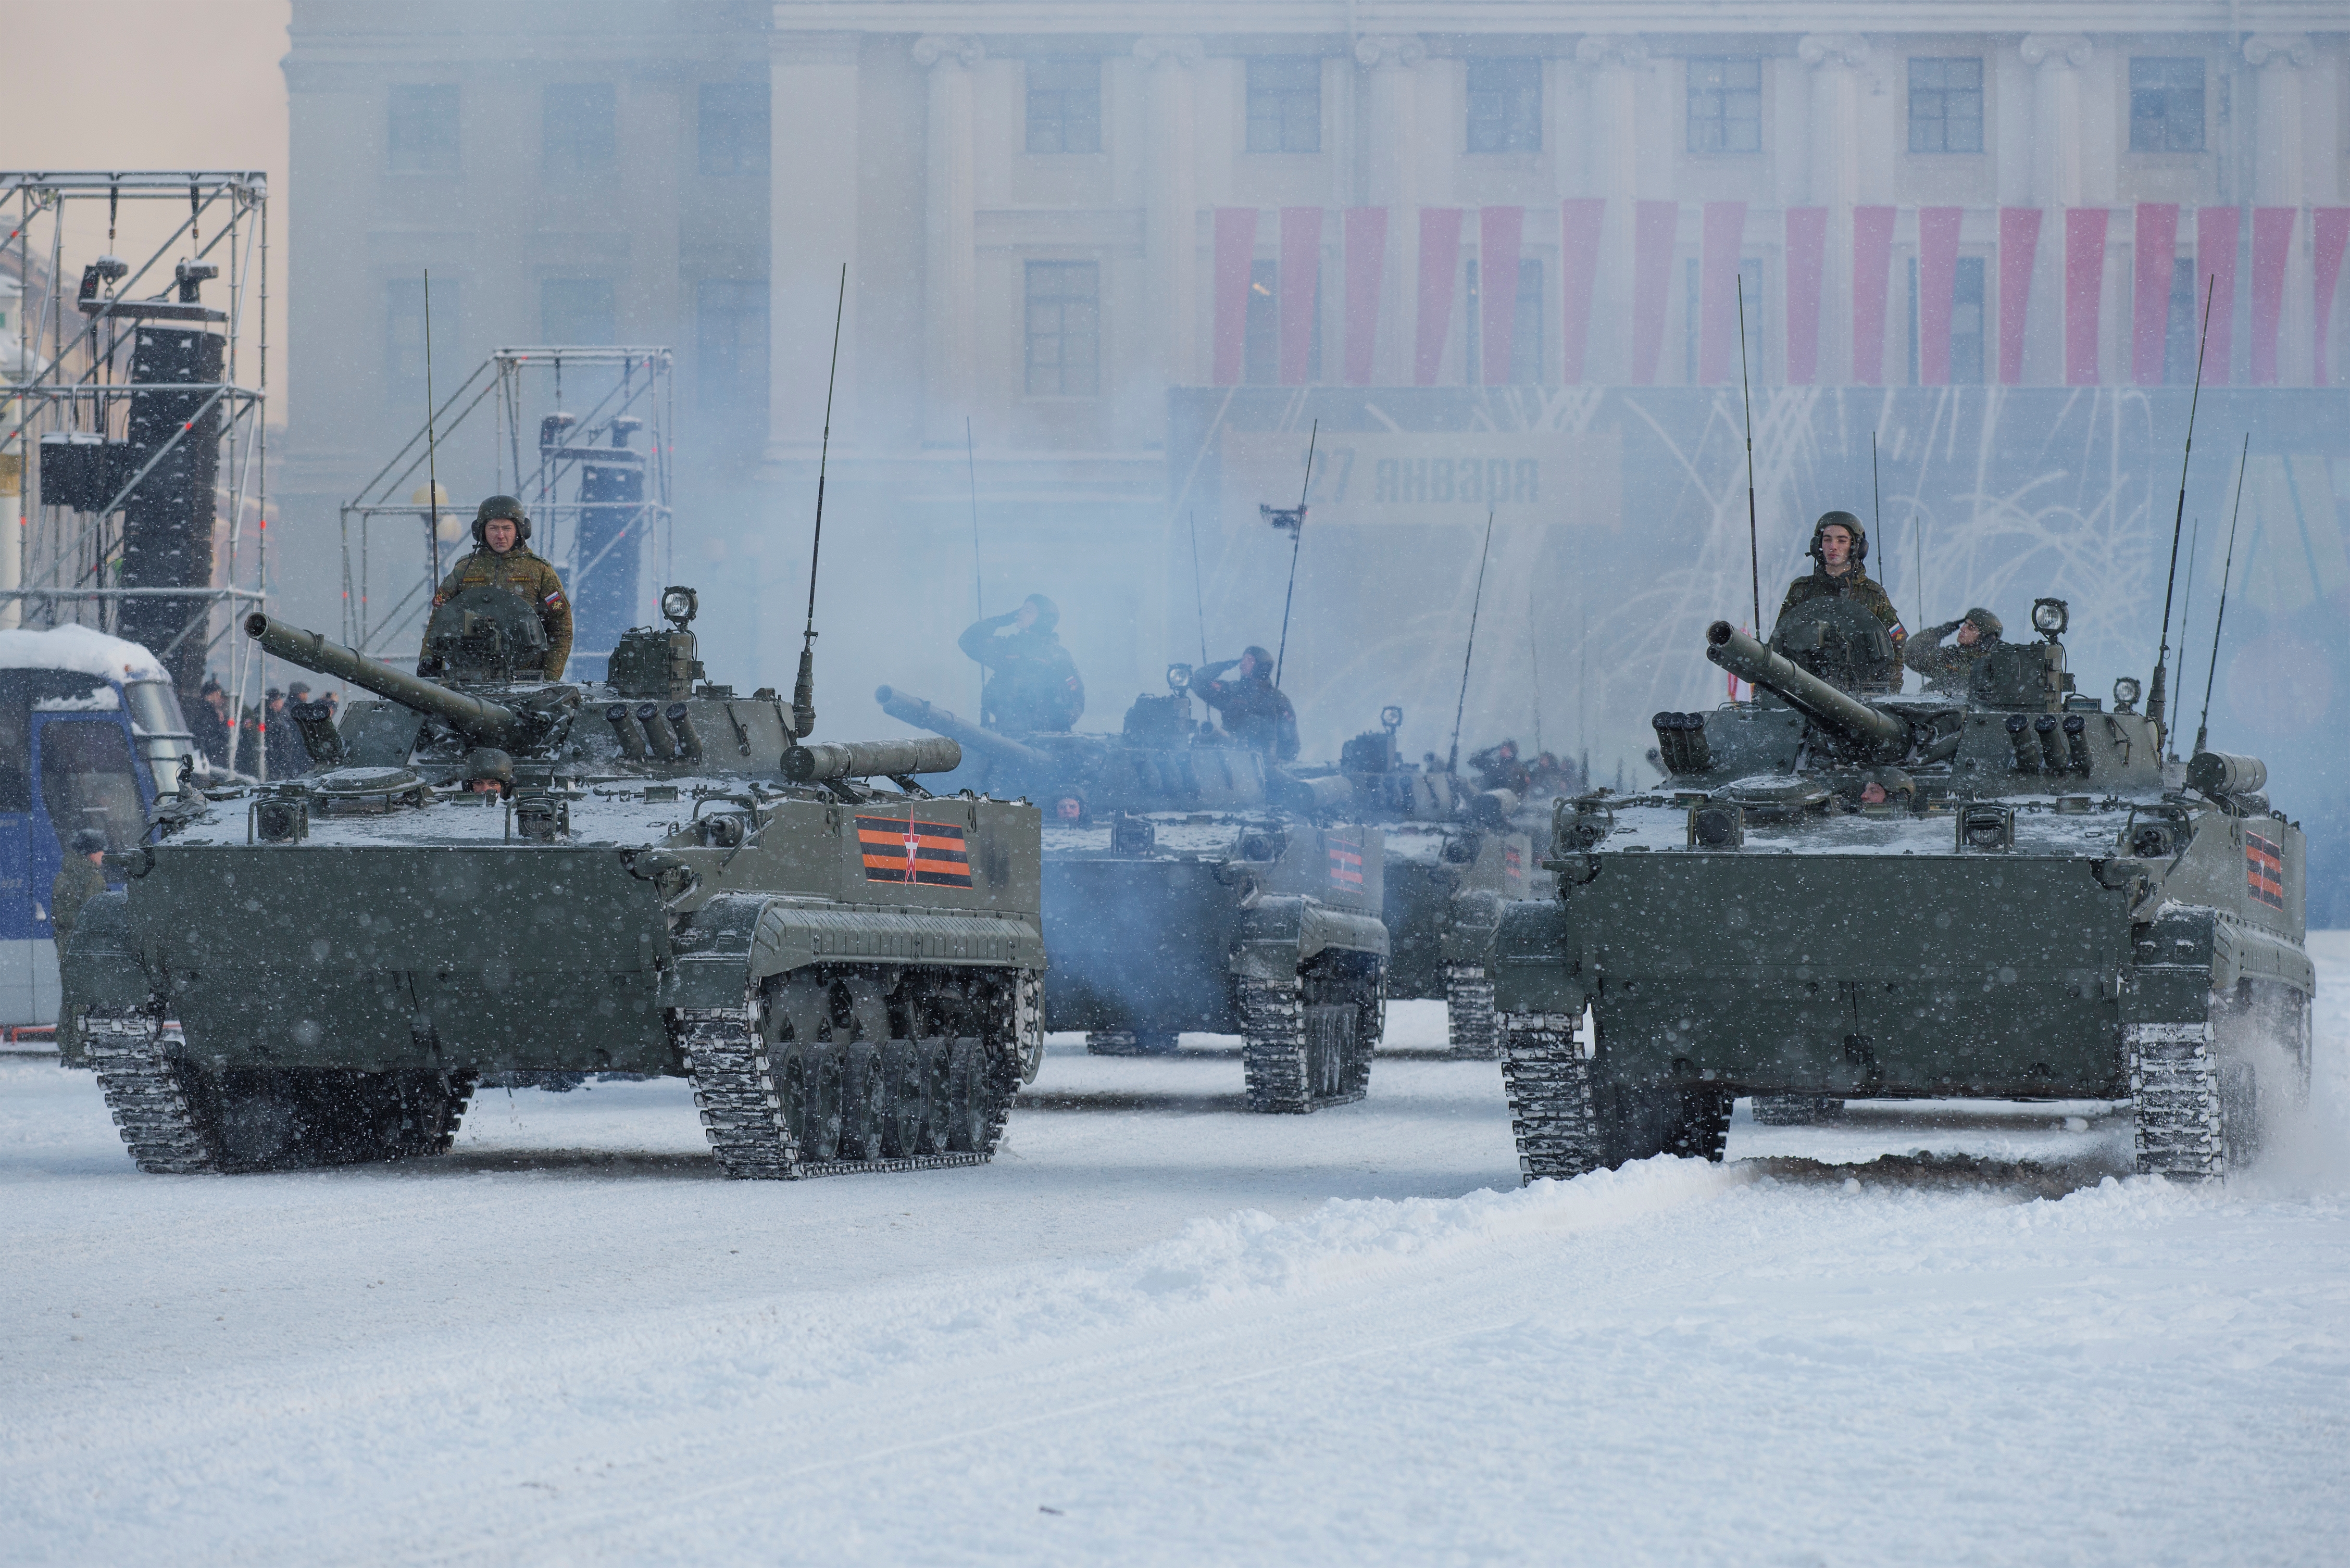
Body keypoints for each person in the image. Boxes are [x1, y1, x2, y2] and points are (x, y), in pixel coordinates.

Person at [420, 495, 574, 680]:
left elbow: (561, 626)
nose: (500, 535)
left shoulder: (539, 571)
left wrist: (549, 677)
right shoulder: (464, 569)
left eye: (507, 528)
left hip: (524, 679)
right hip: (469, 678)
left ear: (520, 530)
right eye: (493, 528)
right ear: (480, 531)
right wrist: (429, 659)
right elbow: (439, 619)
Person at [1778, 511, 1907, 650]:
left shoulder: (1873, 596)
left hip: (1859, 672)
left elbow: (1898, 642)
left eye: (1842, 541)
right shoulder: (1801, 590)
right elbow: (1779, 641)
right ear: (1817, 545)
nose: (1833, 546)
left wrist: (1888, 672)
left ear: (1857, 547)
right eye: (1827, 540)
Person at [957, 594, 1084, 733]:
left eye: (1028, 611)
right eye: (1021, 610)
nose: (1020, 614)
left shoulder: (1058, 656)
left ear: (1043, 620)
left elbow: (1077, 696)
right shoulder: (1007, 649)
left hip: (1047, 738)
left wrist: (1060, 723)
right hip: (1008, 735)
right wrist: (1002, 620)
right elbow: (968, 641)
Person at [49, 827, 111, 1053]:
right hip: (85, 949)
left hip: (70, 948)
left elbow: (62, 917)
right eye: (100, 851)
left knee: (72, 998)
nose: (103, 856)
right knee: (83, 1000)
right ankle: (78, 1049)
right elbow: (90, 916)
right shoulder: (92, 879)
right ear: (90, 853)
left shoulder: (65, 876)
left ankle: (70, 1047)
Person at [1196, 645, 1299, 761]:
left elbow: (1291, 745)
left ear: (1261, 667)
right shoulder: (1231, 691)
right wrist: (1226, 665)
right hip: (1230, 761)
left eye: (1250, 660)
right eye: (1243, 659)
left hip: (1263, 765)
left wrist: (1277, 763)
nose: (1243, 664)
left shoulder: (1277, 700)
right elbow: (1198, 682)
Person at [1903, 607, 2003, 693]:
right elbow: (1911, 654)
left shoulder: (1992, 665)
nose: (1963, 629)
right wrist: (1938, 633)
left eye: (1971, 628)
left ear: (1985, 639)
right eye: (1965, 624)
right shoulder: (1952, 656)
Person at [186, 675, 231, 769]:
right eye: (217, 694)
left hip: (214, 755)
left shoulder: (215, 712)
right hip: (210, 756)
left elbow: (226, 735)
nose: (219, 697)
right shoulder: (204, 711)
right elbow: (203, 734)